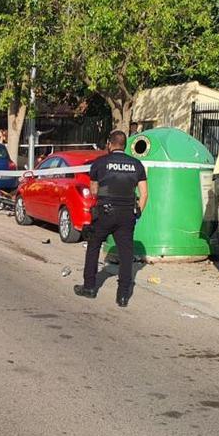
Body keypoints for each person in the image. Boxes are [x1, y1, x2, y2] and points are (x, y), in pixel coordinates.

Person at [74, 130, 148, 307]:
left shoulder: (100, 163)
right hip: (126, 214)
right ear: (124, 145)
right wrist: (138, 212)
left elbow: (93, 190)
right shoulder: (136, 164)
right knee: (126, 253)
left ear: (110, 144)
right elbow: (144, 194)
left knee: (93, 246)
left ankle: (90, 287)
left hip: (105, 213)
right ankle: (123, 296)